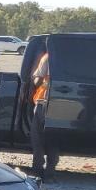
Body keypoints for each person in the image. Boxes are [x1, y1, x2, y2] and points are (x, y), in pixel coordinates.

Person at [29, 48, 57, 178]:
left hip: (43, 101)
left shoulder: (48, 57)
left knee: (37, 137)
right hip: (61, 102)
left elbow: (38, 81)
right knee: (54, 137)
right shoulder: (70, 57)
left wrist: (34, 77)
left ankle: (37, 168)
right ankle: (51, 169)